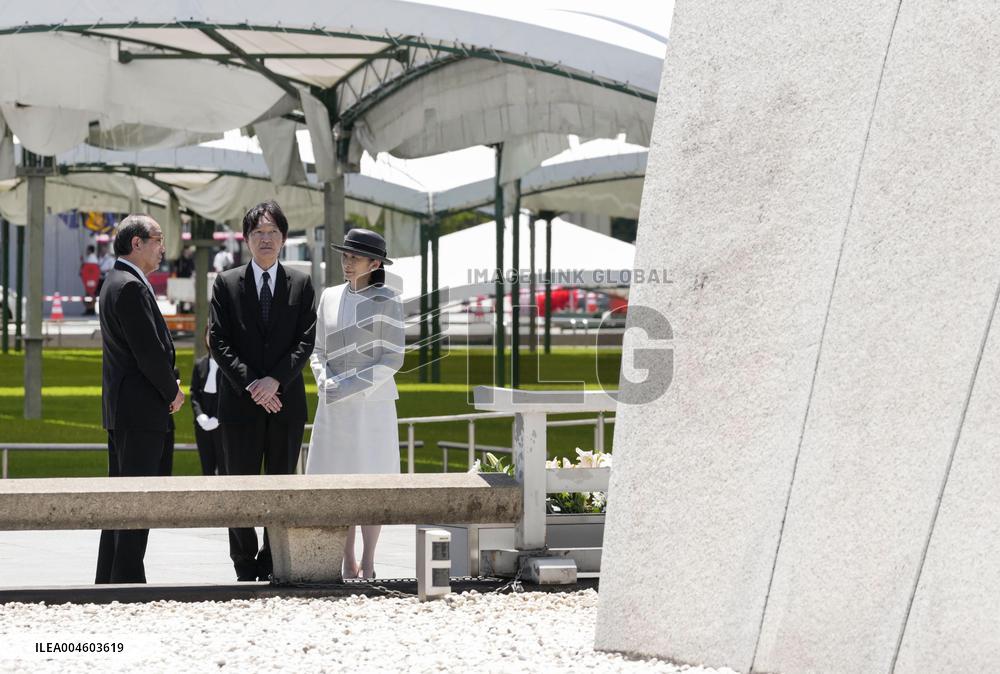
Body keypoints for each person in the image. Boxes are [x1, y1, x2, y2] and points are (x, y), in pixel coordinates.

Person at [209, 201, 316, 582]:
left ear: (284, 238)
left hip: (285, 403)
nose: (266, 239)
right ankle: (243, 563)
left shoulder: (301, 284)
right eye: (258, 233)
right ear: (246, 239)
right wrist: (254, 383)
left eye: (273, 232)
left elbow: (305, 341)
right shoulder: (226, 283)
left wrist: (275, 382)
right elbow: (218, 342)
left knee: (281, 481)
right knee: (239, 483)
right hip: (240, 402)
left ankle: (273, 559)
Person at [306, 228, 405, 580]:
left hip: (371, 407)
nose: (347, 263)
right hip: (333, 405)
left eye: (355, 257)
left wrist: (351, 386)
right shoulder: (329, 296)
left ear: (374, 263)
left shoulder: (388, 300)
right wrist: (322, 380)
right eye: (345, 256)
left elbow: (392, 358)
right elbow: (318, 349)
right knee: (337, 478)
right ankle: (346, 557)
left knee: (372, 477)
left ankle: (371, 558)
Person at [96, 215, 184, 584]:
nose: (163, 247)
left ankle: (111, 577)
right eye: (158, 239)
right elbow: (148, 352)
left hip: (126, 412)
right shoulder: (129, 286)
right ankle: (127, 582)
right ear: (137, 243)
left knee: (121, 500)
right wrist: (173, 390)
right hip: (141, 412)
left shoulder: (116, 281)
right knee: (136, 500)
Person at [189, 325, 223, 476]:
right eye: (209, 335)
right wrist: (199, 415)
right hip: (202, 425)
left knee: (224, 468)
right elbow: (194, 393)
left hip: (221, 423)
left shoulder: (227, 366)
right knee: (206, 467)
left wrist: (218, 417)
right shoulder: (199, 364)